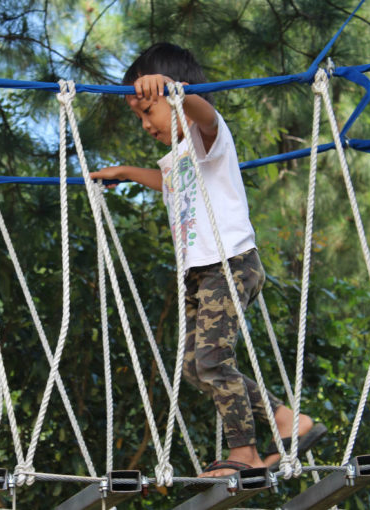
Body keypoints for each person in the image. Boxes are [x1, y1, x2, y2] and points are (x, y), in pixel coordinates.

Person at [89, 42, 325, 478]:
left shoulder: (209, 135)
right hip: (199, 274)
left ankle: (245, 453)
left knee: (214, 358)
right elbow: (167, 182)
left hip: (230, 263)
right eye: (138, 118)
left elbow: (205, 113)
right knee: (196, 368)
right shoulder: (181, 155)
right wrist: (124, 172)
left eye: (148, 112)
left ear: (175, 95)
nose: (145, 125)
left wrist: (178, 92)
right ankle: (284, 418)